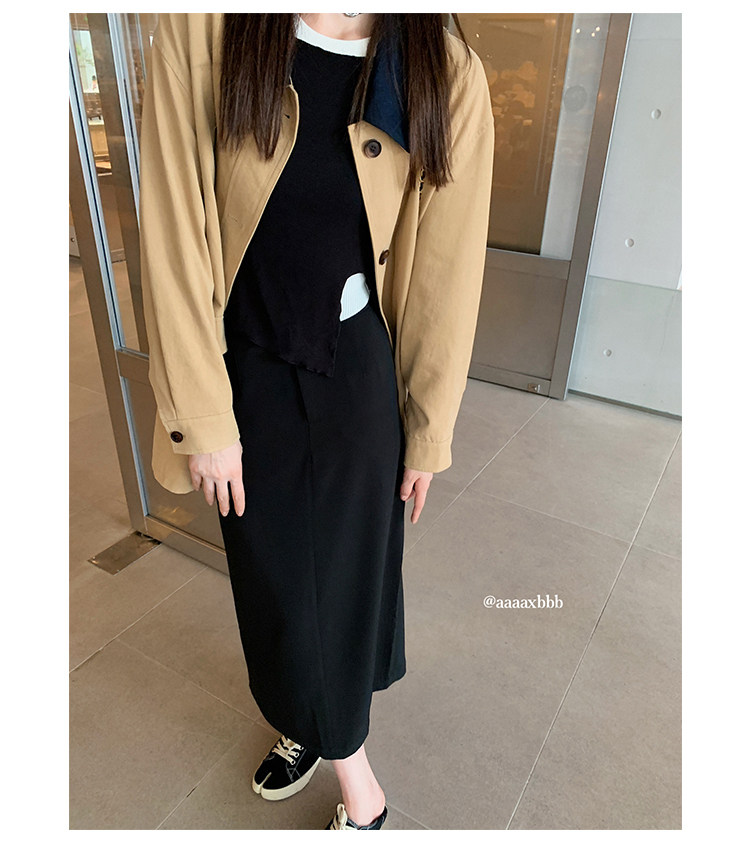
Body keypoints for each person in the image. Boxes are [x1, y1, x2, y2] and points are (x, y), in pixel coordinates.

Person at [139, 11, 494, 831]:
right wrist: (203, 414)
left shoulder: (444, 68)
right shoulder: (207, 31)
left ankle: (360, 790)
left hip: (354, 369)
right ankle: (308, 718)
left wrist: (428, 428)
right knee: (276, 586)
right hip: (245, 373)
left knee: (342, 583)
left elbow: (447, 273)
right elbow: (172, 235)